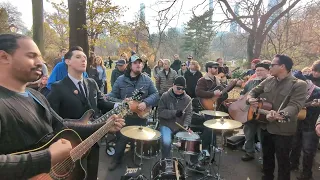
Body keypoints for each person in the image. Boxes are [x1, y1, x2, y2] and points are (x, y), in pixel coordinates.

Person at [0, 33, 125, 179]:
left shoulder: (37, 96)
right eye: (31, 56)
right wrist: (47, 156)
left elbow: (62, 125)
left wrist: (103, 127)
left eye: (40, 57)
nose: (40, 62)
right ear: (4, 57)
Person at [47, 46, 115, 179]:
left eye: (84, 58)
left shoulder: (91, 83)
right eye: (78, 57)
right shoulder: (58, 88)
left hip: (94, 140)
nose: (83, 60)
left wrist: (122, 104)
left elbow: (102, 103)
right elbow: (51, 119)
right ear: (67, 61)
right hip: (71, 145)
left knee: (92, 175)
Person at [247, 54, 307, 180]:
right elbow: (253, 91)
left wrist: (280, 114)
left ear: (282, 66)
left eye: (272, 65)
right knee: (267, 158)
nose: (270, 67)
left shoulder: (299, 84)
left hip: (283, 130)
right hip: (265, 126)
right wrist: (250, 98)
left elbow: (295, 106)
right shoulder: (269, 80)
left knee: (283, 162)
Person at [108, 54, 159, 170]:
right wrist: (122, 102)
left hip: (141, 116)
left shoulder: (147, 79)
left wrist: (145, 102)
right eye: (136, 63)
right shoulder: (120, 80)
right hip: (125, 116)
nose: (139, 65)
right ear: (130, 65)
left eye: (140, 63)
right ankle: (116, 160)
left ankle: (136, 158)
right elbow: (110, 97)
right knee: (121, 139)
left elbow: (156, 94)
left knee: (141, 139)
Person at [158, 76, 204, 172]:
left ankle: (193, 162)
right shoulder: (165, 96)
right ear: (173, 85)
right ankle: (166, 162)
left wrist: (186, 125)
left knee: (195, 139)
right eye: (178, 88)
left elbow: (188, 114)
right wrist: (174, 112)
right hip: (166, 125)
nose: (180, 90)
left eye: (182, 89)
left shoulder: (187, 99)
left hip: (181, 126)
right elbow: (160, 112)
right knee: (166, 142)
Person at [289, 71, 320, 180]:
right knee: (295, 145)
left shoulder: (317, 91)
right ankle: (293, 164)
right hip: (298, 122)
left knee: (308, 150)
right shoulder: (296, 91)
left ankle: (307, 174)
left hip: (311, 125)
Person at [240, 63, 270, 161]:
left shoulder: (272, 83)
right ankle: (249, 152)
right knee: (248, 134)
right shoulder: (251, 82)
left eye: (261, 70)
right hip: (250, 113)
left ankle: (264, 159)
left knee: (263, 138)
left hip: (264, 115)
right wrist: (243, 98)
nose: (258, 72)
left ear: (268, 71)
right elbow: (243, 93)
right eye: (257, 70)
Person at [195, 62, 222, 150]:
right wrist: (212, 93)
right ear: (209, 69)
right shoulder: (202, 80)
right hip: (206, 107)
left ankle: (213, 146)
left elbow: (223, 93)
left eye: (217, 67)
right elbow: (198, 92)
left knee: (214, 128)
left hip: (216, 107)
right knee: (208, 128)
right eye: (215, 67)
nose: (217, 69)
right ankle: (205, 149)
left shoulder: (217, 80)